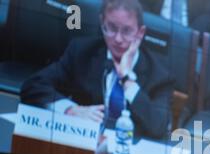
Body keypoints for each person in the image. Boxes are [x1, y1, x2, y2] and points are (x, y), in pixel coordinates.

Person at [20, 0, 174, 139]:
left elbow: (159, 126)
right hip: (82, 145)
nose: (118, 39)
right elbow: (33, 86)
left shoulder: (160, 75)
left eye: (127, 31)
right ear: (102, 23)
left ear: (140, 33)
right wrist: (70, 110)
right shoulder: (82, 52)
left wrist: (126, 79)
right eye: (111, 28)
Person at [144, 0, 210, 33]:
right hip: (155, 28)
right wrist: (153, 25)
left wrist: (189, 34)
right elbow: (143, 4)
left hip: (189, 32)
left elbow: (209, 14)